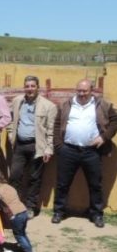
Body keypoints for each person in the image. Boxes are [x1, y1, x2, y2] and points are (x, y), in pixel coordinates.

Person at [51, 79, 117, 228]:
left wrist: (104, 137)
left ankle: (96, 214)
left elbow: (114, 121)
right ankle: (59, 212)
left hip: (92, 152)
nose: (81, 94)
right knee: (62, 184)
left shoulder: (102, 105)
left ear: (91, 90)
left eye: (85, 91)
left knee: (95, 184)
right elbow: (56, 125)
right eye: (79, 91)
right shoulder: (66, 105)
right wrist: (59, 146)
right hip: (68, 150)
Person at [7, 75, 56, 217]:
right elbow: (11, 121)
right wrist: (11, 135)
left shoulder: (48, 106)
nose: (29, 89)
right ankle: (14, 205)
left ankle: (30, 207)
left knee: (35, 178)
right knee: (15, 176)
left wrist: (48, 148)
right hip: (20, 145)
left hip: (37, 146)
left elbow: (51, 130)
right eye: (27, 86)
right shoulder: (17, 101)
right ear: (24, 87)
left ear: (37, 88)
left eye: (32, 86)